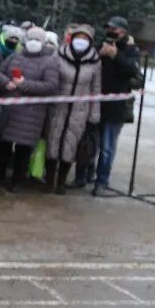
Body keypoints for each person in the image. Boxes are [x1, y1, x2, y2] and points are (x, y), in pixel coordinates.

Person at [0, 26, 59, 191]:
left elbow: (51, 85)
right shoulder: (15, 56)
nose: (33, 43)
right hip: (9, 110)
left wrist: (25, 84)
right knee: (2, 146)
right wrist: (4, 82)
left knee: (23, 150)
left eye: (37, 40)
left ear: (43, 43)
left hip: (32, 114)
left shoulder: (49, 62)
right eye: (30, 39)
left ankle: (18, 181)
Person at [45, 23, 102, 194]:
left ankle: (61, 182)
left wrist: (94, 115)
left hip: (79, 111)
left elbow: (96, 89)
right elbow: (51, 79)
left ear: (90, 41)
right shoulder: (59, 54)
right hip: (57, 107)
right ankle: (49, 181)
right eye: (78, 37)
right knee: (52, 144)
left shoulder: (95, 61)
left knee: (69, 147)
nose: (81, 41)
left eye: (85, 38)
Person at [92, 16, 142, 197]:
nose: (111, 31)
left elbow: (134, 72)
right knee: (90, 143)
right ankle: (85, 175)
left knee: (107, 147)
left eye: (115, 29)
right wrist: (100, 54)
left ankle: (102, 181)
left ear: (124, 31)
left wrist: (115, 56)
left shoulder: (131, 50)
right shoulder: (100, 45)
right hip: (95, 103)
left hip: (116, 107)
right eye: (109, 28)